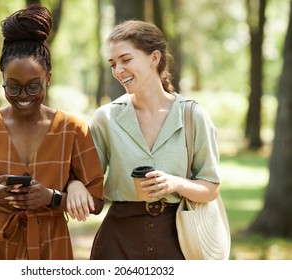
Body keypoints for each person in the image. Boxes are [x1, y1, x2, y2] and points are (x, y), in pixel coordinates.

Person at [0, 4, 104, 260]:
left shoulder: (73, 129)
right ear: (2, 79)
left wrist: (50, 198)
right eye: (13, 87)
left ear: (48, 78)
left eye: (33, 87)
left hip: (51, 249)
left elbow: (96, 202)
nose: (23, 97)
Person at [88, 20, 221, 260]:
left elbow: (210, 188)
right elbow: (89, 182)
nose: (118, 70)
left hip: (179, 241)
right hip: (117, 242)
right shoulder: (105, 118)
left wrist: (175, 184)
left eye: (126, 60)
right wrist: (75, 185)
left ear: (154, 57)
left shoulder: (192, 115)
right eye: (113, 64)